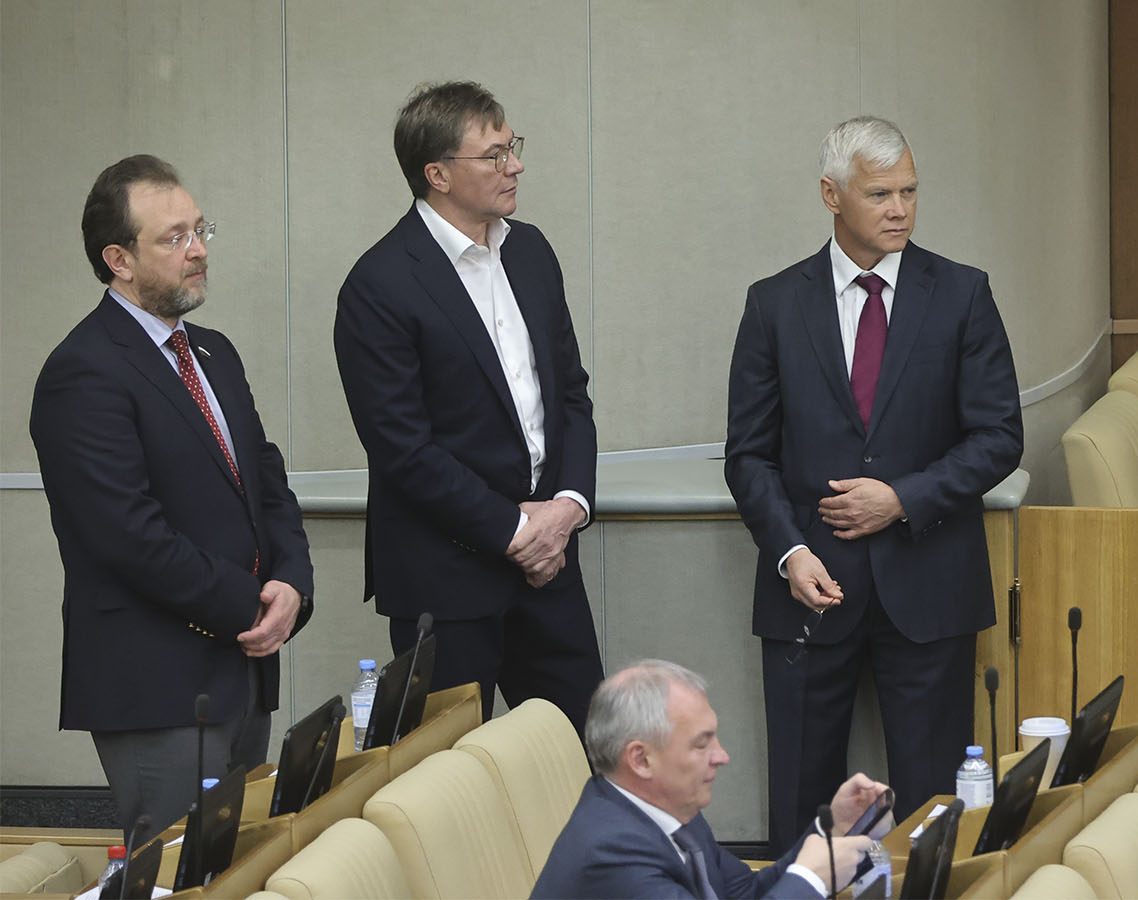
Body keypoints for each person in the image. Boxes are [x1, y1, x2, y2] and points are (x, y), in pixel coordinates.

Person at [725, 115, 1023, 851]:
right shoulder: (773, 304)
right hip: (809, 588)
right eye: (880, 194)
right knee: (804, 813)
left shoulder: (962, 294)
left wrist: (902, 500)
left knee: (933, 813)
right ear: (832, 195)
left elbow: (999, 437)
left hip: (929, 585)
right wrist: (790, 553)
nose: (899, 210)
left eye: (909, 192)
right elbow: (748, 456)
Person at [31, 155, 314, 840]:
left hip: (243, 670)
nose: (198, 250)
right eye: (174, 237)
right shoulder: (83, 371)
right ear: (119, 260)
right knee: (177, 872)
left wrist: (291, 583)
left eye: (200, 230)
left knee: (240, 865)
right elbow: (127, 535)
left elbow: (266, 481)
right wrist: (250, 603)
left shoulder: (214, 352)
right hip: (156, 684)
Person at [334, 81, 603, 727]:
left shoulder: (531, 252)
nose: (516, 165)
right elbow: (403, 448)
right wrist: (517, 533)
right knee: (452, 773)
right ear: (438, 175)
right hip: (445, 580)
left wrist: (568, 507)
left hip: (550, 567)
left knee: (587, 751)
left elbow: (570, 394)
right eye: (495, 155)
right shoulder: (379, 284)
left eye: (513, 147)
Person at [532, 660, 884, 899]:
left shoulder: (669, 811)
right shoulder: (612, 853)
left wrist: (834, 829)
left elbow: (744, 892)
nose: (721, 756)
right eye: (701, 744)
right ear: (640, 759)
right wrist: (810, 879)